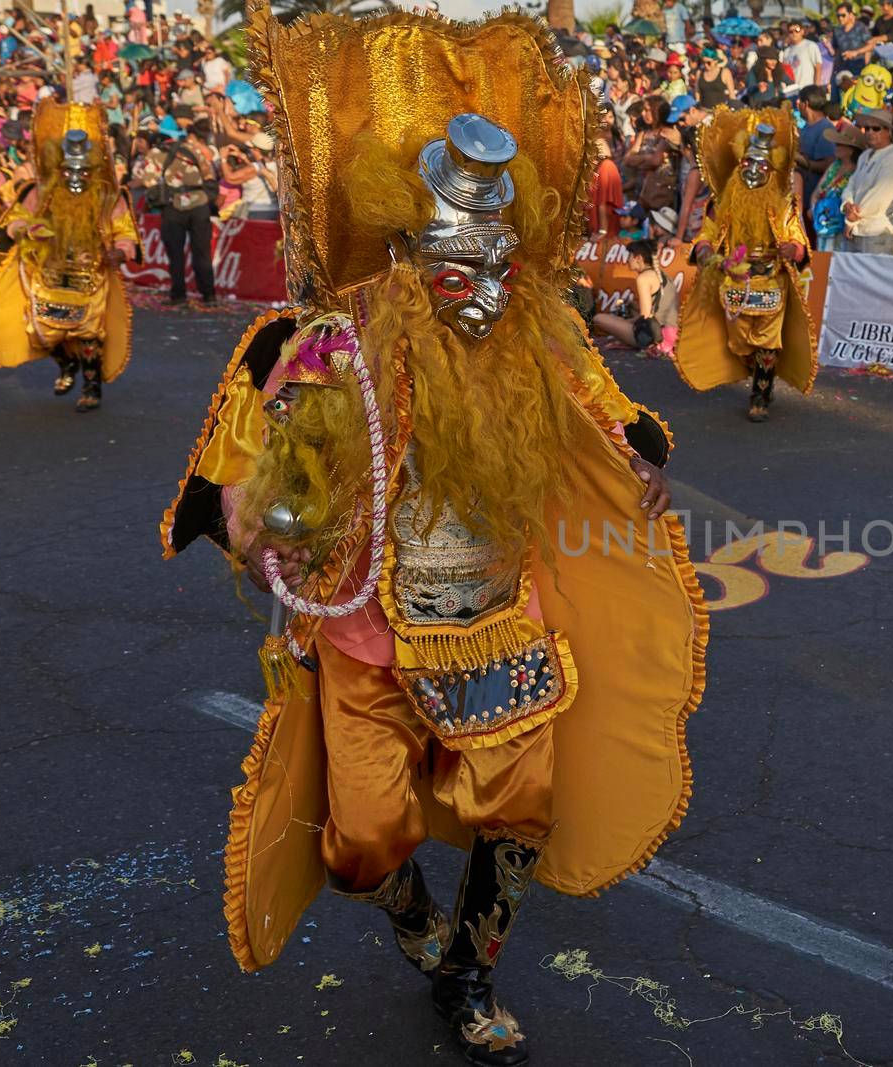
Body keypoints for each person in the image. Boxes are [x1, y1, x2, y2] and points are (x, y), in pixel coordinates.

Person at [159, 12, 705, 1066]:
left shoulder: (537, 329)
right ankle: (411, 912)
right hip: (370, 637)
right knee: (362, 841)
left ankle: (472, 973)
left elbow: (601, 404)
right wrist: (270, 510)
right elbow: (266, 463)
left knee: (521, 810)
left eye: (501, 262)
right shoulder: (336, 340)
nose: (486, 291)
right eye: (461, 268)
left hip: (504, 624)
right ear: (407, 254)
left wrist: (636, 447)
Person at [0, 101, 137, 413]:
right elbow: (14, 221)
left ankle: (91, 387)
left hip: (90, 275)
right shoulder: (41, 192)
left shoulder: (108, 196)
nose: (75, 177)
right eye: (69, 170)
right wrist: (27, 230)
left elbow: (124, 232)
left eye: (82, 171)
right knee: (44, 331)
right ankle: (67, 364)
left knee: (90, 332)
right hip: (47, 273)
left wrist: (119, 252)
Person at [677, 110, 817, 422]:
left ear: (772, 169)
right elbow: (710, 231)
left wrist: (792, 248)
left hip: (770, 281)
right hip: (733, 281)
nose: (753, 172)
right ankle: (755, 368)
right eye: (748, 164)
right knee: (741, 343)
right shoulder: (724, 199)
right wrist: (703, 247)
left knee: (767, 342)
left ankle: (760, 395)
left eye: (761, 166)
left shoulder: (783, 204)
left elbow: (797, 236)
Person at [149, 117, 218, 304]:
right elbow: (210, 175)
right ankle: (209, 295)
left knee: (175, 253)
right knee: (202, 252)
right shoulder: (195, 150)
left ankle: (178, 295)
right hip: (199, 205)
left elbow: (149, 181)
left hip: (173, 207)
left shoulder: (156, 153)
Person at [594, 239, 680, 358]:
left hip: (654, 335)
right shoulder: (663, 275)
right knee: (631, 305)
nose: (627, 260)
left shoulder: (643, 278)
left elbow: (645, 316)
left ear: (638, 258)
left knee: (599, 318)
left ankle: (632, 339)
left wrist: (622, 323)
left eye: (630, 256)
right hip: (672, 333)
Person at [841, 107, 893, 253]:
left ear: (888, 132)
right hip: (857, 230)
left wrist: (851, 218)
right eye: (867, 128)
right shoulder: (864, 155)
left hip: (878, 234)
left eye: (876, 128)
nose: (870, 132)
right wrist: (846, 203)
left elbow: (879, 197)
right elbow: (851, 184)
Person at [812, 123, 865, 251]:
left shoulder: (858, 172)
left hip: (841, 229)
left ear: (851, 150)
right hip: (823, 225)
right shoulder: (834, 166)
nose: (835, 147)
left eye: (839, 144)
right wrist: (815, 209)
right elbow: (818, 190)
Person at [781, 19, 821, 94]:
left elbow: (818, 67)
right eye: (791, 31)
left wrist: (816, 88)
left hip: (808, 88)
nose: (794, 33)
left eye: (797, 30)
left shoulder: (810, 45)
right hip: (792, 90)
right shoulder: (786, 51)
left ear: (802, 31)